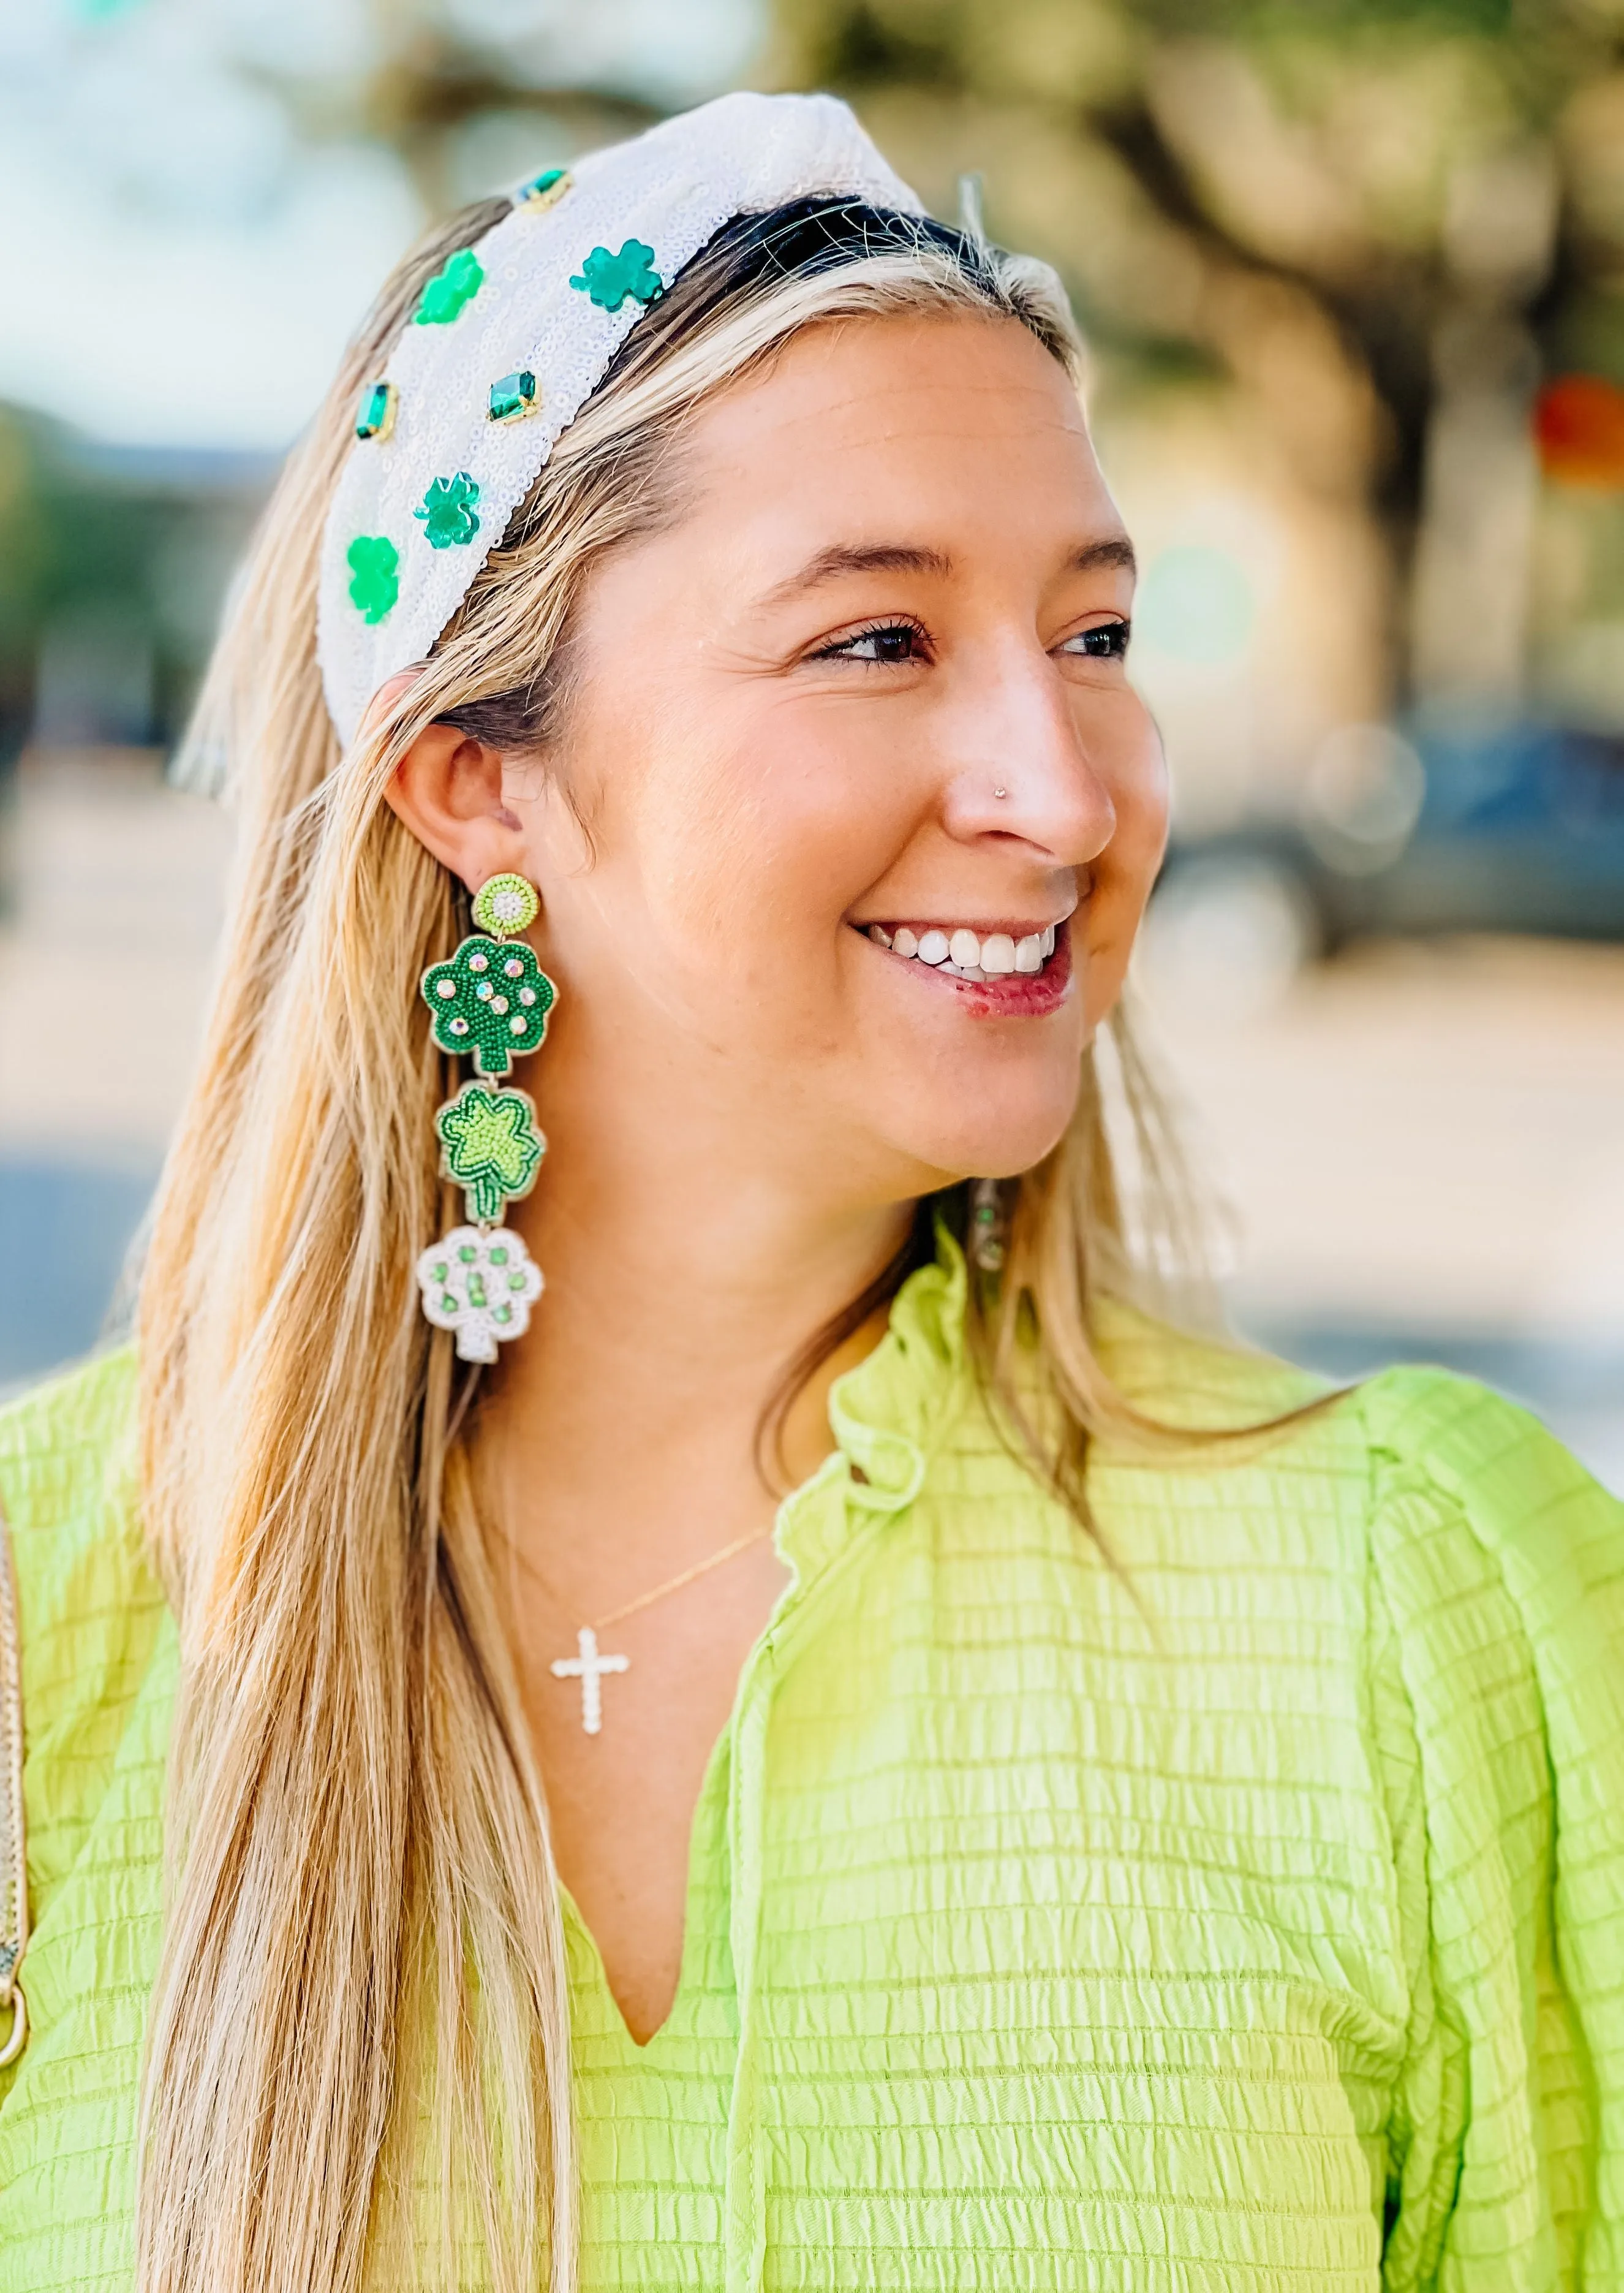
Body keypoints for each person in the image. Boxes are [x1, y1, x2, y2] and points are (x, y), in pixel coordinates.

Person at [0, 89, 1618, 2293]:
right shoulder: (34, 1630)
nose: (1064, 789)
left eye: (1098, 635)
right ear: (482, 780)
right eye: (879, 639)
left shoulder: (1427, 1604)